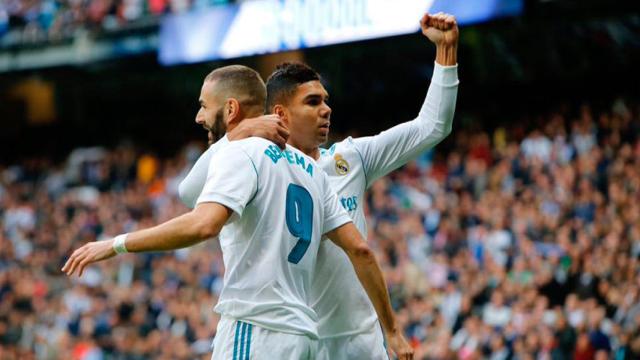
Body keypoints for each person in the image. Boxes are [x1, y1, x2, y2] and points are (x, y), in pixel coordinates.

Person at [61, 65, 413, 359]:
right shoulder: (310, 170)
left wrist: (116, 244)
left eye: (203, 105)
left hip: (256, 327)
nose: (198, 116)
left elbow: (203, 224)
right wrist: (392, 330)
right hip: (303, 338)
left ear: (230, 110)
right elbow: (361, 249)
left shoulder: (240, 153)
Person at [178, 12, 459, 359]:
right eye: (313, 102)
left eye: (325, 100)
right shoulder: (255, 164)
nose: (326, 109)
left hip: (361, 341)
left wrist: (446, 52)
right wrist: (238, 134)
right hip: (301, 343)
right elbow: (191, 194)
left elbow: (431, 126)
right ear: (279, 113)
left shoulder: (351, 159)